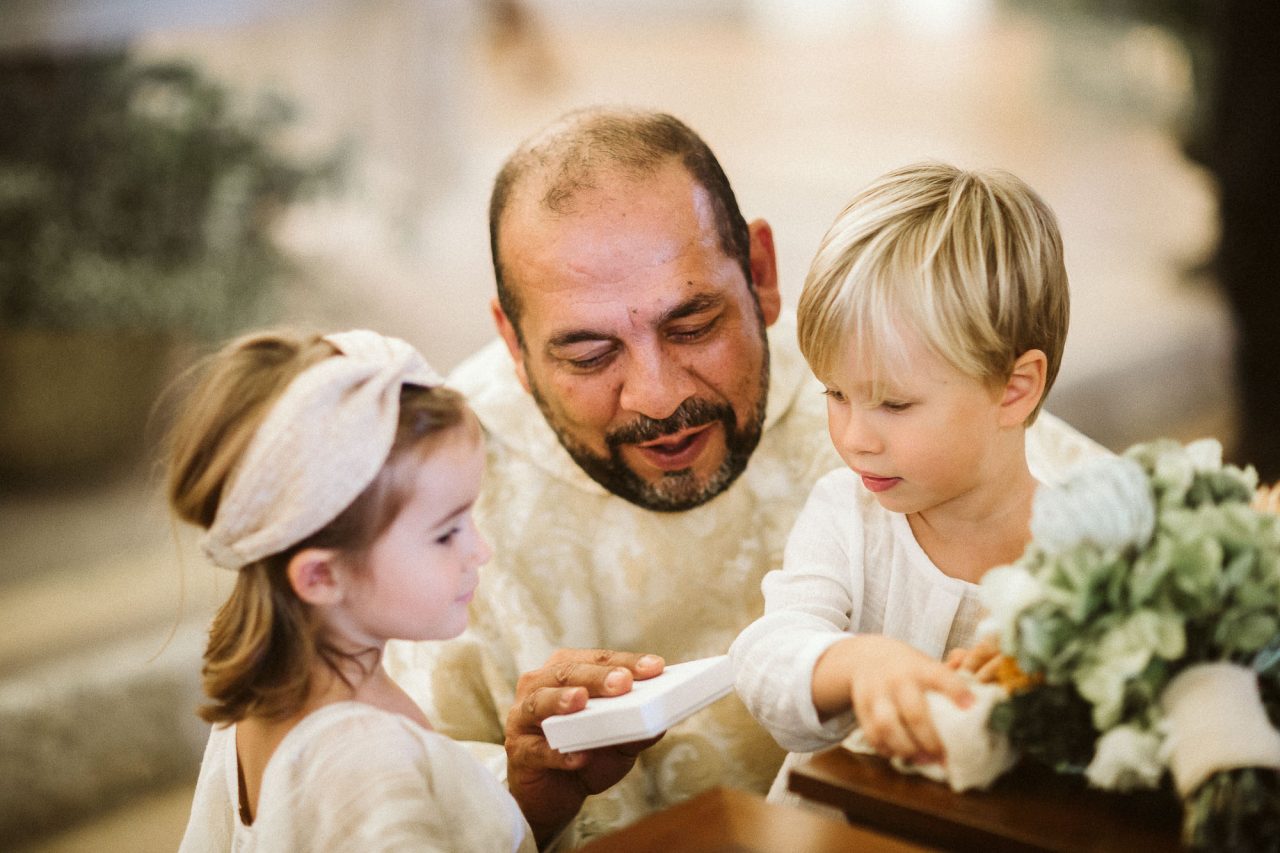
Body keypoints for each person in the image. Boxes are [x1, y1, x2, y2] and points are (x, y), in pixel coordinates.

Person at [384, 109, 1103, 844]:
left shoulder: (880, 357)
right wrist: (525, 797)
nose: (658, 396)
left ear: (760, 273)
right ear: (513, 338)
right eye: (590, 354)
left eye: (692, 325)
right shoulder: (436, 486)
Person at [170, 328, 639, 851]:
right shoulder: (366, 763)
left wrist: (536, 808)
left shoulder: (261, 703)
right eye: (446, 532)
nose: (479, 551)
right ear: (321, 576)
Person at [731, 162, 1075, 792]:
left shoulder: (1084, 552)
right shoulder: (847, 517)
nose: (855, 437)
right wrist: (857, 663)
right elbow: (765, 657)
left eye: (893, 404)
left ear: (1013, 389)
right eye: (835, 393)